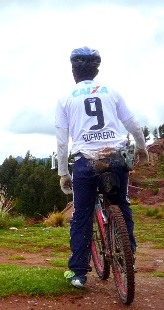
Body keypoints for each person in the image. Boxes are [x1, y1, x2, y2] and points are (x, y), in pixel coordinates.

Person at [55, 46, 148, 289]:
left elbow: (62, 140)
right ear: (96, 70)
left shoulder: (66, 98)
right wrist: (141, 148)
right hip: (116, 158)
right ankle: (130, 256)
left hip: (86, 163)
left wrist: (64, 172)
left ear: (73, 71)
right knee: (121, 203)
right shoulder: (112, 92)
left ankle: (78, 273)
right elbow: (132, 123)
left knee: (82, 214)